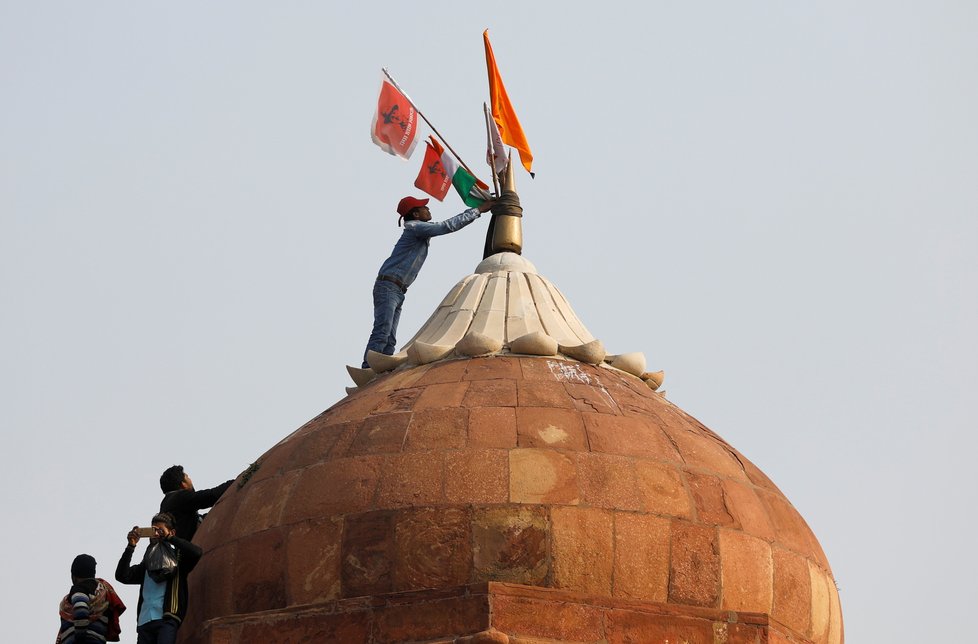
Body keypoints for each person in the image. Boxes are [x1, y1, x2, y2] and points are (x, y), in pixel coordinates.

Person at [362, 195, 495, 368]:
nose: (428, 209)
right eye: (424, 207)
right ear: (416, 214)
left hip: (396, 288)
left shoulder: (417, 229)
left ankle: (380, 369)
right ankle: (369, 368)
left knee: (389, 336)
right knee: (383, 331)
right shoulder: (415, 228)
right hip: (389, 286)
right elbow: (446, 226)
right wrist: (478, 210)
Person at [115, 512, 202, 644]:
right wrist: (131, 546)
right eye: (153, 530)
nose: (156, 534)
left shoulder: (178, 560)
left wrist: (169, 538)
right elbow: (122, 575)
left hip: (166, 619)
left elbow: (196, 552)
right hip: (144, 621)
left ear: (171, 532)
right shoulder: (147, 565)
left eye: (160, 530)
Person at [57, 554, 126, 643]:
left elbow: (80, 610)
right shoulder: (103, 592)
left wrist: (79, 639)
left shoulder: (79, 589)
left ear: (73, 576)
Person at [159, 464, 233, 542]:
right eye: (187, 477)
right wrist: (237, 481)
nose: (190, 480)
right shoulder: (180, 497)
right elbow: (212, 495)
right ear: (183, 484)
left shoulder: (166, 503)